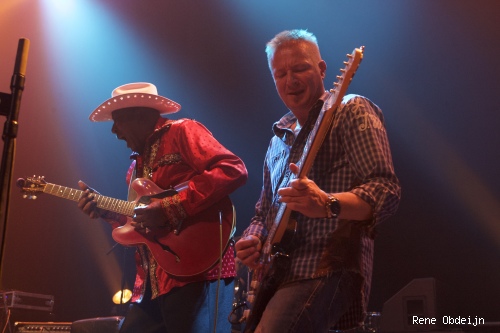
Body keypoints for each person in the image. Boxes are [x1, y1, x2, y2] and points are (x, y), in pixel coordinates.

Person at [235, 29, 401, 333]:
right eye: (280, 73)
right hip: (277, 276)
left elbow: (385, 190)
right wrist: (253, 238)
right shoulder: (277, 142)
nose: (290, 80)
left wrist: (327, 203)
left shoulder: (351, 110)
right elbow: (263, 212)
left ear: (322, 69)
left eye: (300, 68)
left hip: (327, 266)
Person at [77, 82, 248, 333]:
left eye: (118, 120)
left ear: (140, 114)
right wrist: (107, 212)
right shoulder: (133, 171)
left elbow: (232, 169)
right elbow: (139, 226)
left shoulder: (182, 131)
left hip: (199, 271)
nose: (114, 130)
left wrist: (170, 207)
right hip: (153, 283)